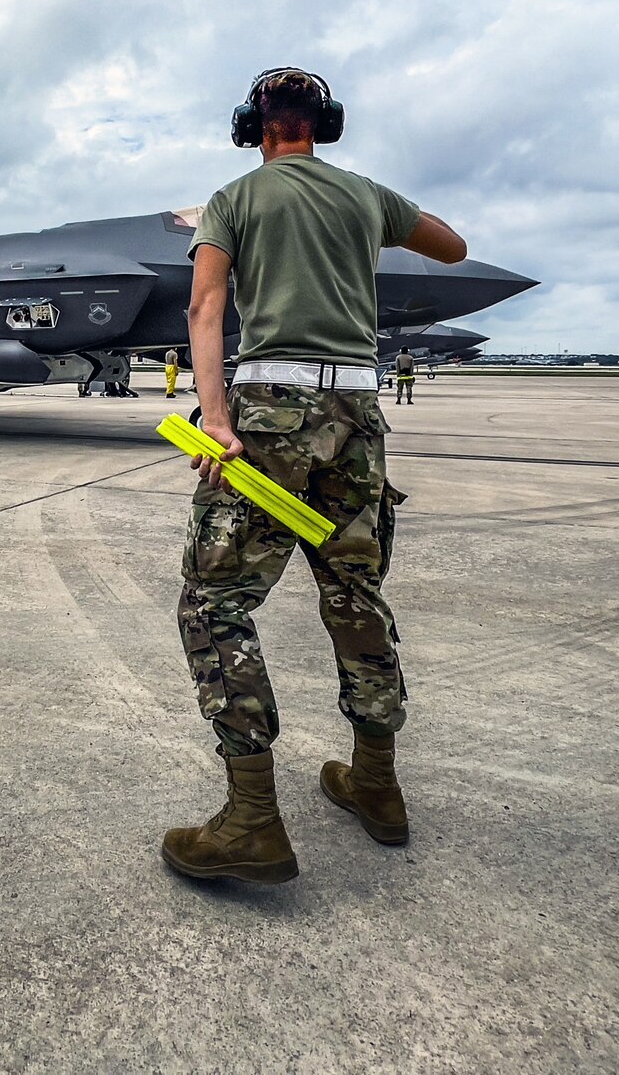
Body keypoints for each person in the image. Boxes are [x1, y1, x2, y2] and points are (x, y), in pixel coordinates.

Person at [162, 67, 467, 884]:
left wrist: (215, 416)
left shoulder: (233, 200)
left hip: (271, 414)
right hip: (359, 420)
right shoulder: (365, 196)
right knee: (355, 594)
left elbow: (205, 307)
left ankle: (252, 821)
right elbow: (452, 244)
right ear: (321, 126)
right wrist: (378, 218)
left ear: (253, 128)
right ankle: (376, 786)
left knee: (215, 600)